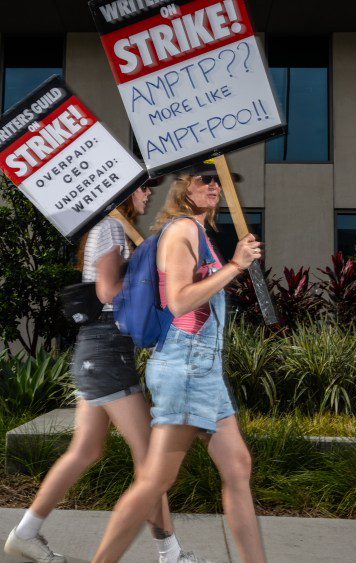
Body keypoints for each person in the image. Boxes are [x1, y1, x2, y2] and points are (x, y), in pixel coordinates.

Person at [5, 179, 200, 563]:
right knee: (149, 459)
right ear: (125, 193)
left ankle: (24, 533)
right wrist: (153, 272)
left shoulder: (113, 228)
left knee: (85, 450)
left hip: (99, 350)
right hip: (107, 350)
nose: (148, 195)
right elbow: (108, 291)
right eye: (143, 189)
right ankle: (171, 554)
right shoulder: (110, 226)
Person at [92, 162, 266, 563]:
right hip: (185, 366)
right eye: (204, 179)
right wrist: (236, 266)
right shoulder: (183, 230)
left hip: (203, 369)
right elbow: (181, 300)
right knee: (155, 481)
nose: (214, 186)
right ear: (184, 187)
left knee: (238, 466)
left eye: (218, 181)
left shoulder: (200, 233)